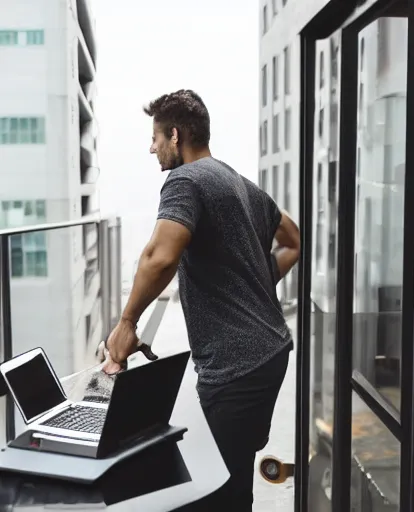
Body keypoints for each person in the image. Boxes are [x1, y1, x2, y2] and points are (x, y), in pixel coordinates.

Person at [103, 89, 300, 511]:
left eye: (156, 138)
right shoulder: (240, 184)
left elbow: (160, 255)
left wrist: (127, 323)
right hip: (269, 353)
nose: (152, 148)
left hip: (239, 365)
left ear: (175, 136)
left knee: (210, 491)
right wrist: (256, 282)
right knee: (231, 478)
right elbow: (293, 241)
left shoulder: (185, 181)